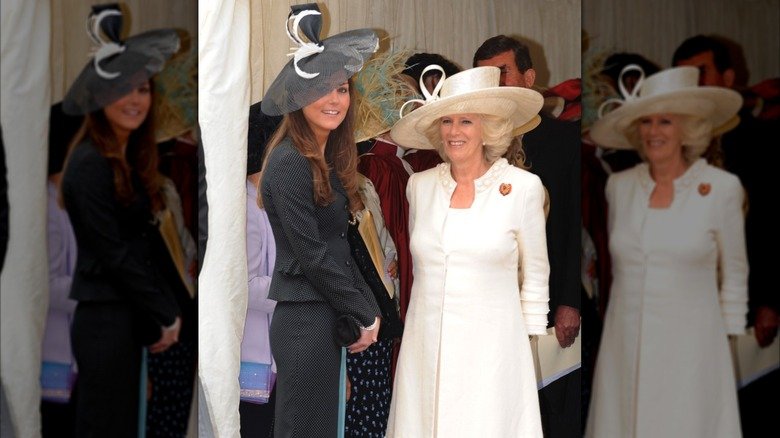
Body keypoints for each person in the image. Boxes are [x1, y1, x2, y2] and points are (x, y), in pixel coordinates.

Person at [386, 65, 549, 437]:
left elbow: (537, 271)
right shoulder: (420, 186)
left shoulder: (522, 187)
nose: (454, 132)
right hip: (425, 345)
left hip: (494, 348)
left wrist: (526, 342)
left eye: (465, 122)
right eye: (446, 121)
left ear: (488, 127)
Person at [585, 65, 747, 437]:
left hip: (694, 345)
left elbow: (735, 272)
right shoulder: (619, 188)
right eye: (646, 122)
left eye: (665, 122)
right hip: (623, 343)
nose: (653, 132)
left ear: (688, 128)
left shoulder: (720, 188)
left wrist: (727, 342)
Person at [257, 4, 381, 437]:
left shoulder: (323, 160)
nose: (334, 99)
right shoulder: (290, 161)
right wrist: (364, 311)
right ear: (297, 97)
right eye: (322, 89)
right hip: (304, 320)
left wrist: (364, 310)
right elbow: (312, 254)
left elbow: (339, 248)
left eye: (342, 88)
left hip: (323, 315)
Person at [59, 5, 182, 436]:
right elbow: (115, 252)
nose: (135, 100)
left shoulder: (124, 161)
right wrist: (164, 313)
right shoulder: (89, 162)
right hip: (103, 322)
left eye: (143, 88)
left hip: (123, 319)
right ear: (98, 97)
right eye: (123, 90)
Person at [473, 34, 581, 437]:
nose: (494, 85)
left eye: (502, 73)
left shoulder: (564, 141)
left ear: (529, 77)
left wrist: (569, 300)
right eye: (485, 77)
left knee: (550, 411)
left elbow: (573, 225)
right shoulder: (474, 144)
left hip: (551, 306)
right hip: (490, 306)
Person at [672, 34, 776, 349]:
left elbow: (771, 221)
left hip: (749, 303)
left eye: (701, 72)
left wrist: (770, 301)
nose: (693, 84)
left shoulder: (764, 141)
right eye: (685, 76)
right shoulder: (674, 145)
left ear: (728, 78)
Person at [238, 101, 281, 437]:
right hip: (255, 354)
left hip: (276, 351)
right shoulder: (248, 206)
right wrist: (302, 289)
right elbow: (246, 287)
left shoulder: (268, 199)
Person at [40, 102, 82, 437]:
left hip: (70, 348)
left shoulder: (64, 202)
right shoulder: (49, 207)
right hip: (51, 350)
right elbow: (46, 287)